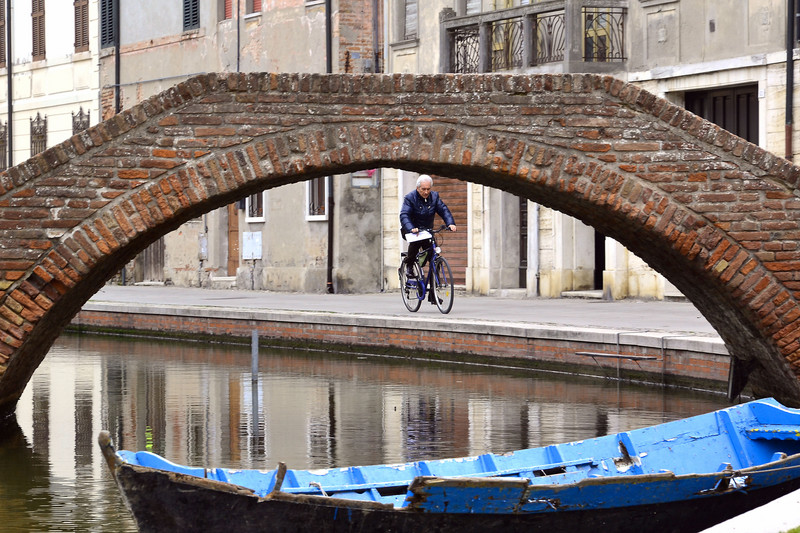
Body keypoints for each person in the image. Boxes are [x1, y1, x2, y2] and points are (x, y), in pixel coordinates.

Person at [399, 174, 457, 277]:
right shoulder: (410, 198)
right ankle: (409, 265)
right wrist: (411, 228)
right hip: (412, 230)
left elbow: (443, 210)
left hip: (427, 231)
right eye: (423, 189)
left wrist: (450, 223)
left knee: (433, 257)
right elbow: (404, 215)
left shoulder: (434, 197)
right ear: (417, 188)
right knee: (415, 244)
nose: (426, 192)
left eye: (428, 189)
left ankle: (433, 287)